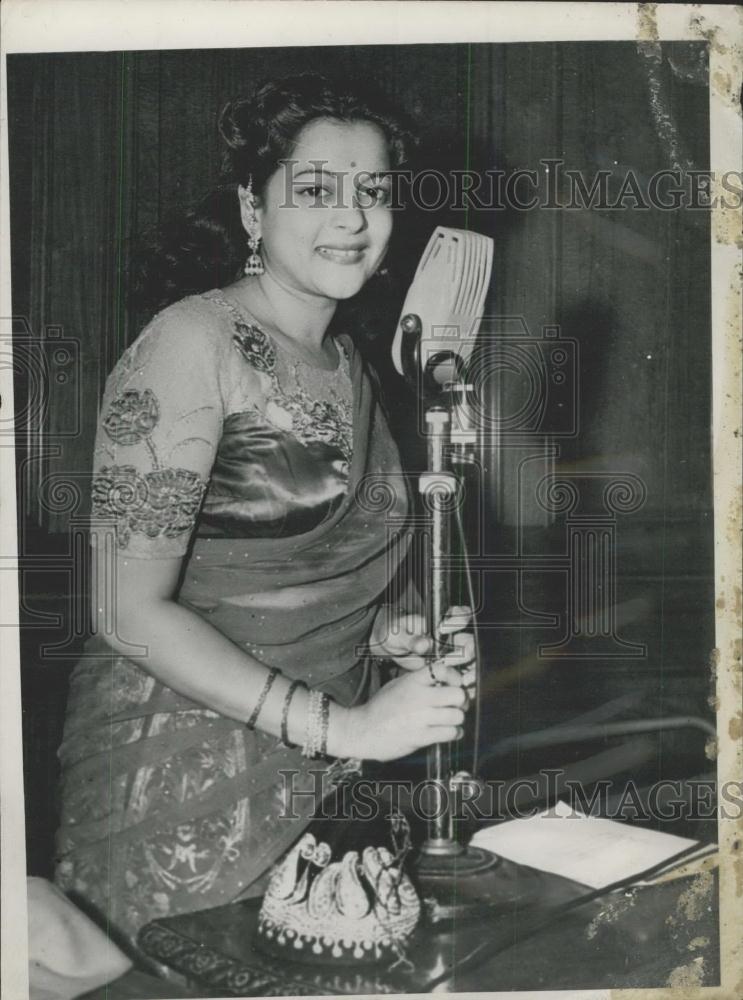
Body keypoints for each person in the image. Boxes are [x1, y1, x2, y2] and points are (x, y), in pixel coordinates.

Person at [54, 73, 474, 958]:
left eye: (374, 192)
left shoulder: (350, 361)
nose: (351, 218)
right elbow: (126, 611)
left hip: (323, 776)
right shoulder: (190, 342)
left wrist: (393, 635)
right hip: (181, 772)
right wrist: (348, 727)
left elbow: (298, 573)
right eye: (315, 190)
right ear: (254, 208)